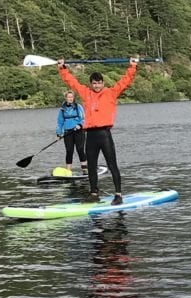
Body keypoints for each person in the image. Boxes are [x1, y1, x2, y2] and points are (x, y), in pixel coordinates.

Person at [59, 57, 139, 204]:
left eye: (99, 83)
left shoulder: (111, 92)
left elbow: (125, 81)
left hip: (104, 135)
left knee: (112, 164)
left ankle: (118, 195)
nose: (97, 85)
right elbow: (71, 82)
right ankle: (94, 194)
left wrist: (132, 66)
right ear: (91, 84)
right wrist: (62, 68)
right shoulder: (85, 93)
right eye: (94, 83)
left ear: (103, 83)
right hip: (90, 135)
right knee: (91, 166)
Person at [55, 90, 86, 171]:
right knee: (69, 151)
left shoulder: (78, 106)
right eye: (69, 97)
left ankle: (85, 170)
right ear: (66, 98)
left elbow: (83, 118)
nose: (70, 98)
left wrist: (79, 125)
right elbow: (60, 122)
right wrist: (58, 133)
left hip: (79, 131)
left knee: (80, 149)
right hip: (68, 132)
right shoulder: (62, 109)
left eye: (72, 97)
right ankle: (68, 171)